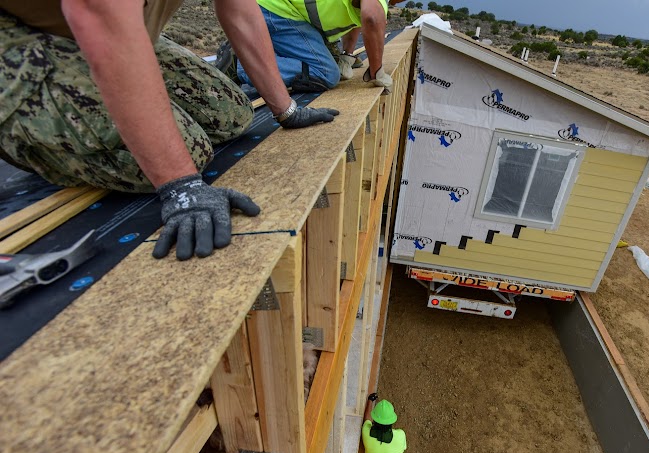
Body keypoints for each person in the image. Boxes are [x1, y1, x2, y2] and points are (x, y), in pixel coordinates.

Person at [0, 0, 339, 261]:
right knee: (185, 154)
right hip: (23, 34)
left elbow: (240, 10)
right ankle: (28, 130)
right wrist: (182, 185)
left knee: (231, 115)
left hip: (104, 23)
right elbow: (97, 11)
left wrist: (287, 110)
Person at [227, 0, 406, 94]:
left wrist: (347, 56)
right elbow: (372, 19)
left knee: (328, 62)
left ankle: (258, 49)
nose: (399, 2)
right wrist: (377, 72)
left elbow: (358, 19)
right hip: (276, 12)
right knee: (326, 73)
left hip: (277, 9)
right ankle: (242, 64)